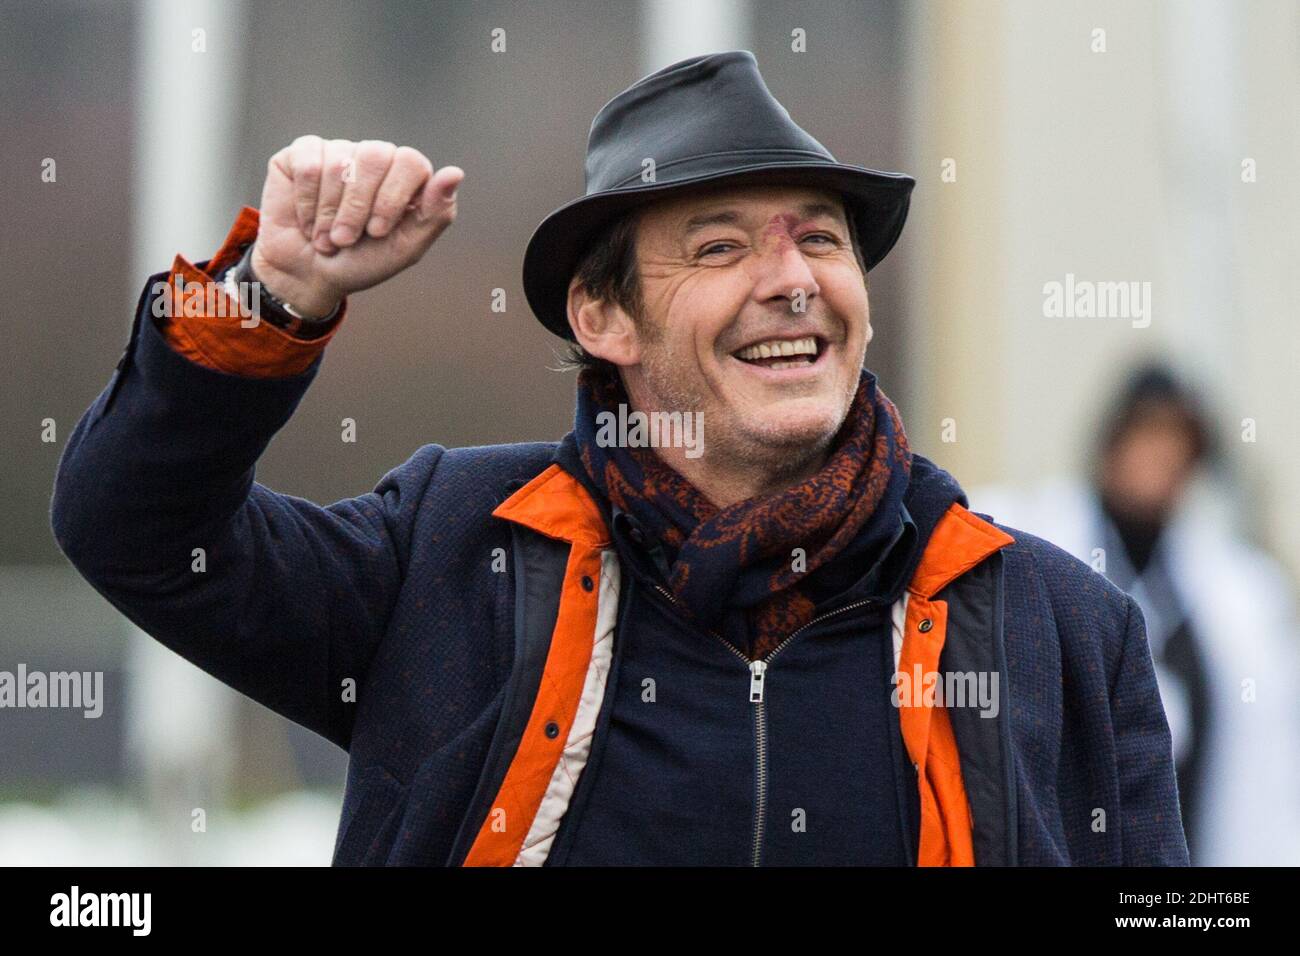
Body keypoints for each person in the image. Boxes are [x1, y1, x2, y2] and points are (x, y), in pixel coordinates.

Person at [50, 51, 1188, 866]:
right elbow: (138, 532)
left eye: (822, 237)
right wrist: (274, 296)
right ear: (604, 319)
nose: (791, 278)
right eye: (720, 245)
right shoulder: (449, 548)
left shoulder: (1063, 626)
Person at [973, 363, 1300, 865]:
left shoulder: (1239, 594)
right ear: (1110, 443)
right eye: (1146, 434)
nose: (1160, 456)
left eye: (1178, 442)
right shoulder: (1030, 551)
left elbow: (1273, 771)